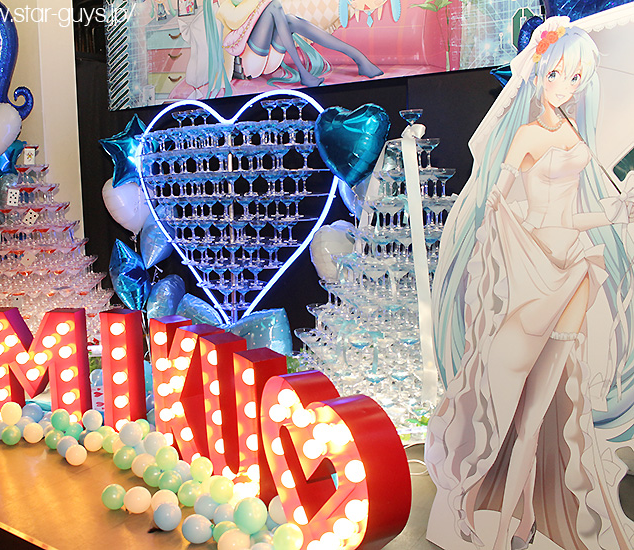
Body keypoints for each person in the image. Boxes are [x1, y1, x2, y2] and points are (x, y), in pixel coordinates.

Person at [426, 17, 634, 550]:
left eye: (576, 78)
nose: (564, 86)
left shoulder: (573, 132)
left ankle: (520, 526)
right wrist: (503, 250)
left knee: (540, 416)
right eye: (557, 74)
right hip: (532, 275)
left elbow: (571, 216)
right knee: (504, 406)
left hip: (573, 271)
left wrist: (615, 214)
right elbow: (500, 206)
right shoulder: (526, 135)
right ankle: (483, 508)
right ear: (539, 72)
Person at [203, 0, 383, 95]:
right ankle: (305, 74)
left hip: (268, 57)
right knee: (275, 6)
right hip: (246, 64)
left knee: (290, 20)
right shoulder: (222, 6)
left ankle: (358, 57)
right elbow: (236, 19)